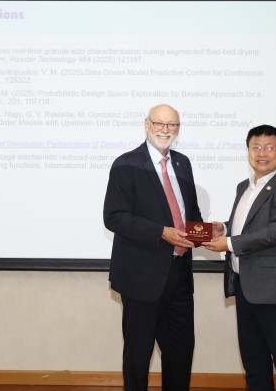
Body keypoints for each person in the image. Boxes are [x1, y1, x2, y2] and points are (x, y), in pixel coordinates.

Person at [103, 104, 204, 391]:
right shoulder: (126, 164)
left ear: (178, 130)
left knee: (180, 355)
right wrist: (161, 232)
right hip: (141, 278)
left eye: (172, 125)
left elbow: (190, 213)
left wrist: (208, 231)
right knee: (138, 357)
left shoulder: (183, 163)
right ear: (146, 124)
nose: (165, 130)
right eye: (159, 123)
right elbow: (114, 217)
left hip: (179, 277)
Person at [202, 124, 276, 391]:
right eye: (255, 147)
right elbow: (247, 225)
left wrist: (229, 243)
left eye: (269, 147)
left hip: (275, 291)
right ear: (248, 151)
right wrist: (223, 228)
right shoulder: (243, 187)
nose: (262, 153)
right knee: (254, 365)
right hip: (244, 287)